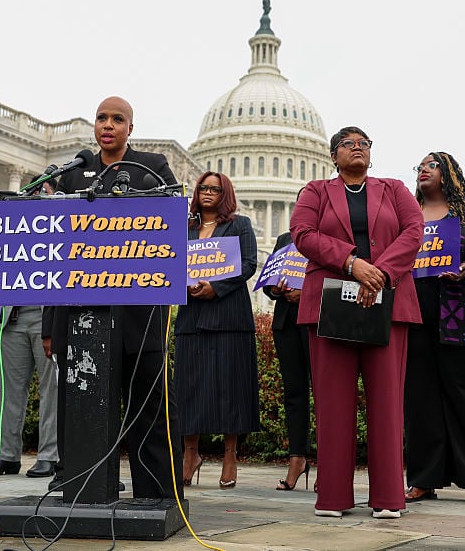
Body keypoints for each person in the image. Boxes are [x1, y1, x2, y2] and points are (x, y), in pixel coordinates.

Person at [43, 95, 182, 500]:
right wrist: (51, 326)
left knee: (148, 406)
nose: (108, 125)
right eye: (101, 118)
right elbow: (53, 253)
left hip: (139, 313)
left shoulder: (152, 168)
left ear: (130, 129)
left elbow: (170, 224)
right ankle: (81, 486)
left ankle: (156, 492)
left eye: (117, 119)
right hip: (80, 313)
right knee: (82, 404)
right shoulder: (75, 173)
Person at [290, 126, 424, 519]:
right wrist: (351, 263)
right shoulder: (316, 192)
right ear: (333, 155)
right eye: (348, 144)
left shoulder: (394, 189)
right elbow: (302, 233)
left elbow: (413, 232)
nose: (357, 148)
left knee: (387, 402)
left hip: (388, 301)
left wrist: (377, 273)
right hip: (331, 303)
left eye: (364, 143)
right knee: (332, 403)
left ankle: (388, 497)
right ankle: (333, 497)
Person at [403, 152, 465, 507]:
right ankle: (423, 478)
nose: (423, 170)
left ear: (449, 173)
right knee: (420, 397)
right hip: (416, 313)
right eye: (420, 166)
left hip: (464, 314)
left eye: (431, 165)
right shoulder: (408, 214)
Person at [176, 172, 260, 490]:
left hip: (229, 316)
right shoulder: (184, 228)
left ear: (226, 194)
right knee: (190, 388)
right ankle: (190, 454)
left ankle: (229, 456)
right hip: (192, 316)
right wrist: (187, 284)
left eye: (215, 189)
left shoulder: (240, 225)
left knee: (231, 388)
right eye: (203, 188)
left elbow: (249, 264)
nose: (208, 192)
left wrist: (216, 287)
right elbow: (171, 263)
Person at [0, 176, 58, 480]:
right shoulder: (12, 228)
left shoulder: (60, 227)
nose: (36, 196)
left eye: (43, 192)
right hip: (12, 318)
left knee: (51, 391)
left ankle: (49, 455)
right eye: (32, 191)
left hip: (45, 317)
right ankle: (7, 455)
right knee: (9, 392)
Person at [262, 225, 312, 491]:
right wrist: (277, 289)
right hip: (287, 322)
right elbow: (269, 282)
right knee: (294, 393)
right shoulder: (285, 239)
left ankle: (330, 462)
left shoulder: (332, 236)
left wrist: (307, 292)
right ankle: (297, 457)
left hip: (317, 321)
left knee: (327, 395)